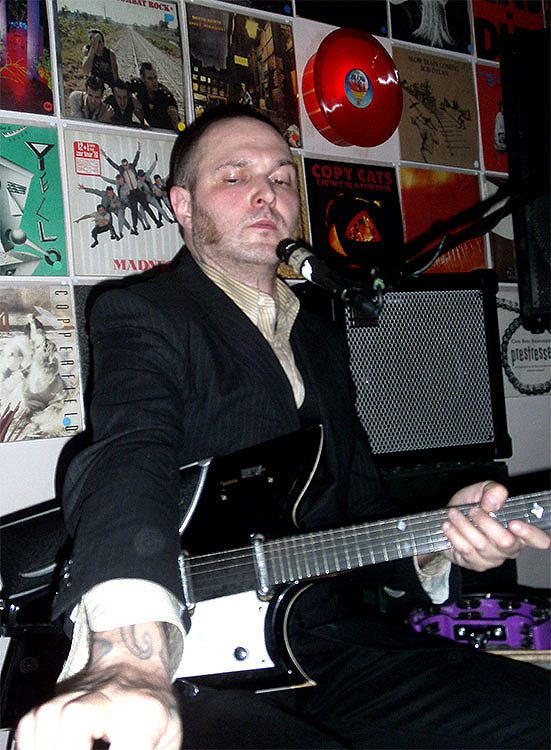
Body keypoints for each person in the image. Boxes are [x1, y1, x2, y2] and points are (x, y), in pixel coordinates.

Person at [16, 105, 550, 750]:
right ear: (183, 206)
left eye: (280, 178)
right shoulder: (144, 311)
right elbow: (129, 458)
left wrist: (445, 541)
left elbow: (362, 509)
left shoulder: (320, 336)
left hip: (330, 645)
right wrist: (129, 659)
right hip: (194, 661)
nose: (265, 192)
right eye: (234, 176)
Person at [130, 62, 180, 131]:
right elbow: (125, 87)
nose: (154, 81)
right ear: (142, 79)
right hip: (149, 129)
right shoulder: (139, 86)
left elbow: (180, 127)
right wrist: (133, 98)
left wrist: (175, 121)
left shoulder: (166, 96)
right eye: (150, 78)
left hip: (165, 131)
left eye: (155, 77)